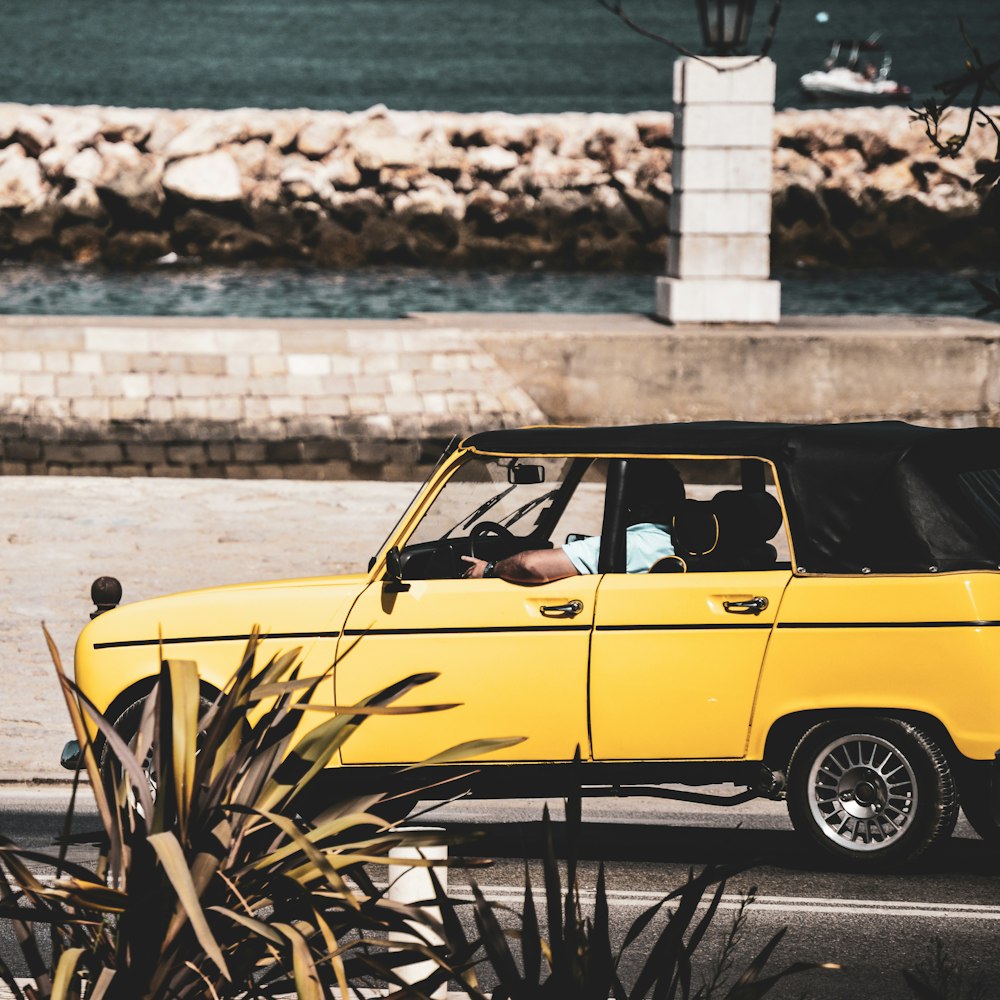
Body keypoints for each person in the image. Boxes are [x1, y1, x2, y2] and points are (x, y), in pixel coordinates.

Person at [462, 459, 684, 583]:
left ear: (630, 502)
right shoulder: (672, 542)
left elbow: (529, 565)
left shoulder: (636, 544)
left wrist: (490, 569)